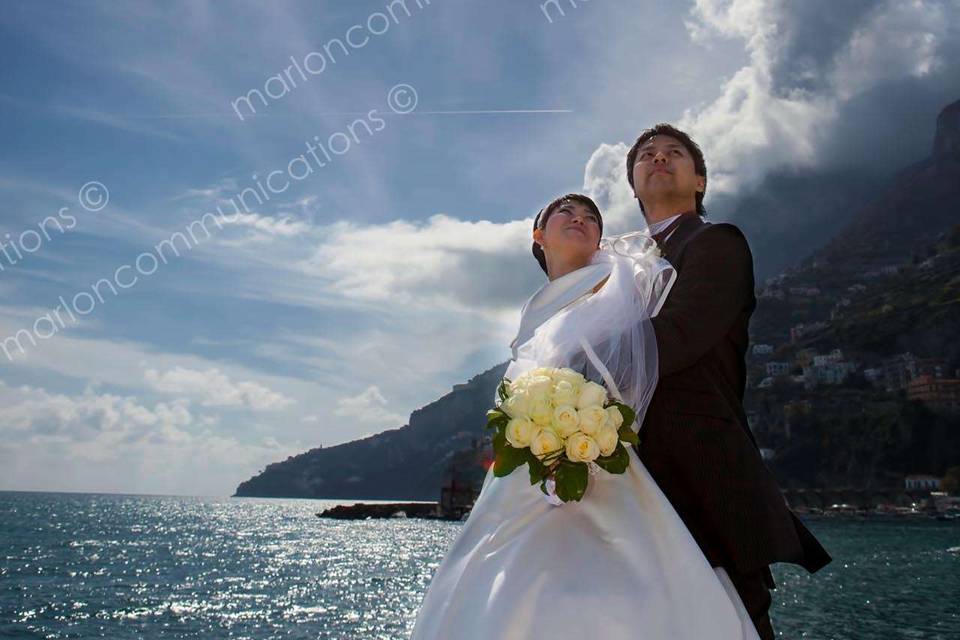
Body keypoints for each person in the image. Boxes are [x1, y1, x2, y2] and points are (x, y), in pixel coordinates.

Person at [409, 193, 764, 640]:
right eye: (566, 213)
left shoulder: (620, 282)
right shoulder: (533, 310)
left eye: (591, 217)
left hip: (599, 450)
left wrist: (583, 421)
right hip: (527, 465)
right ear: (539, 236)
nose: (580, 219)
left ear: (601, 238)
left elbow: (635, 359)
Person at [625, 123, 832, 640]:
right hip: (626, 470)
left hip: (702, 466)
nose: (659, 158)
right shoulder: (615, 265)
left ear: (699, 182)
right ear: (632, 184)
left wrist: (578, 368)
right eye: (646, 154)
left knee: (732, 615)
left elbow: (682, 334)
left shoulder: (717, 243)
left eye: (675, 153)